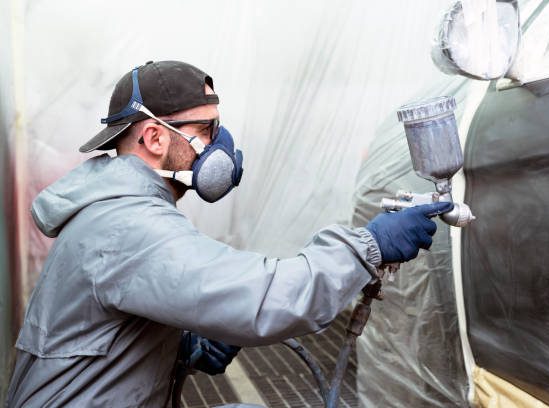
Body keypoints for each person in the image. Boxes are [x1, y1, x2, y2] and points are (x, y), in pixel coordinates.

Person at [5, 60, 452, 407]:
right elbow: (268, 299)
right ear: (155, 139)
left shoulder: (117, 211)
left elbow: (102, 340)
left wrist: (184, 348)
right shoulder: (127, 226)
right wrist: (367, 246)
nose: (222, 146)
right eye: (206, 130)